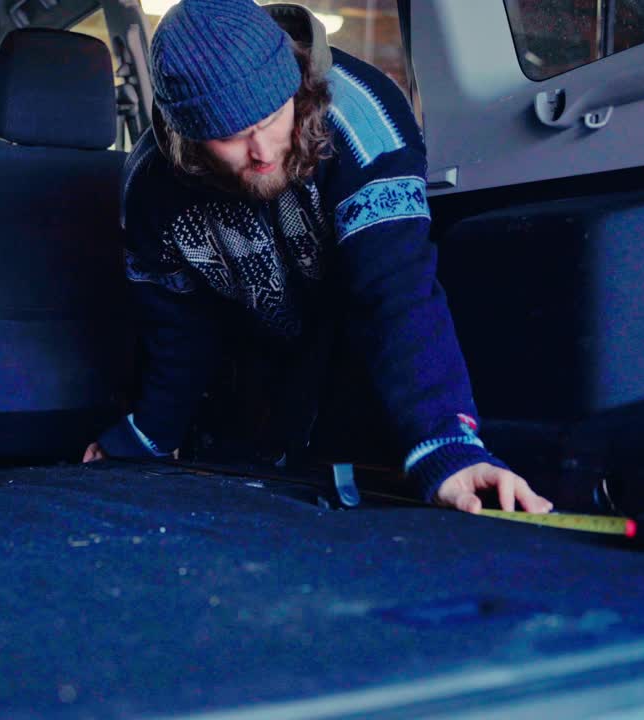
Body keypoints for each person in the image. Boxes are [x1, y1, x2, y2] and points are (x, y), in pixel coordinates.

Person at [83, 0, 552, 516]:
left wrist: (447, 446)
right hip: (252, 351)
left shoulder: (363, 122)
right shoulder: (150, 188)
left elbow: (395, 294)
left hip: (361, 340)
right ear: (187, 137)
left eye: (271, 118)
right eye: (230, 136)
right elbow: (176, 334)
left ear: (297, 89)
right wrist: (149, 435)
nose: (262, 152)